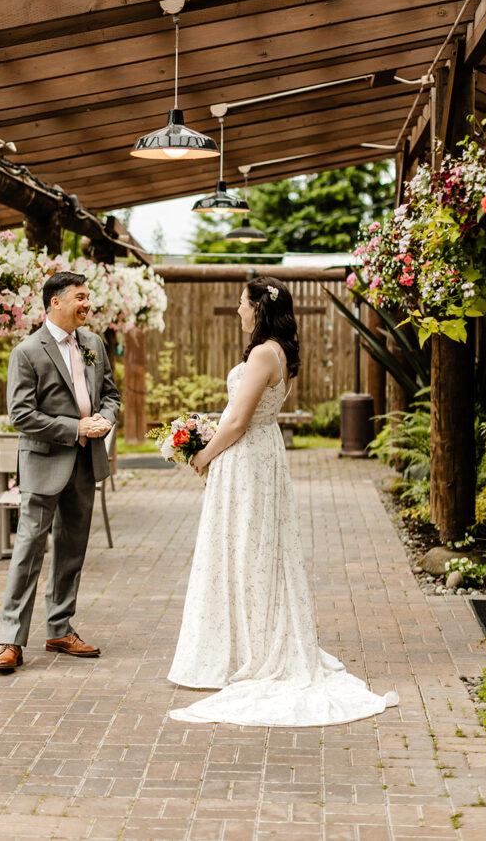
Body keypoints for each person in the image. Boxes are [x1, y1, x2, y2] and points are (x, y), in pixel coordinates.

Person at [168, 275, 398, 727]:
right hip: (262, 454)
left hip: (247, 457)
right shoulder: (279, 353)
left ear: (259, 308)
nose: (238, 309)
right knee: (254, 549)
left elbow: (237, 422)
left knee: (247, 550)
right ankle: (245, 638)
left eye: (241, 302)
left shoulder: (262, 353)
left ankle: (250, 647)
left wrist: (203, 455)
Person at [0, 271, 120, 672]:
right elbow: (21, 415)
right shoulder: (27, 351)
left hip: (85, 462)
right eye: (80, 298)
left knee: (72, 551)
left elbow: (112, 394)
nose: (87, 304)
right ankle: (11, 640)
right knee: (29, 550)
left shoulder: (94, 343)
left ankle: (60, 629)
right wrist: (75, 428)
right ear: (55, 303)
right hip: (44, 463)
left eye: (88, 297)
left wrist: (104, 417)